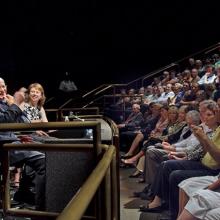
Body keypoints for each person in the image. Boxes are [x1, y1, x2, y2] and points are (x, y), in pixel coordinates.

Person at [0, 77, 45, 211]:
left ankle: (23, 193)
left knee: (46, 147)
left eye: (3, 86)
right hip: (4, 146)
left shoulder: (6, 103)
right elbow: (4, 122)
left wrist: (14, 106)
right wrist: (15, 105)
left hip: (12, 141)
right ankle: (42, 209)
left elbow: (26, 123)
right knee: (44, 162)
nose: (2, 90)